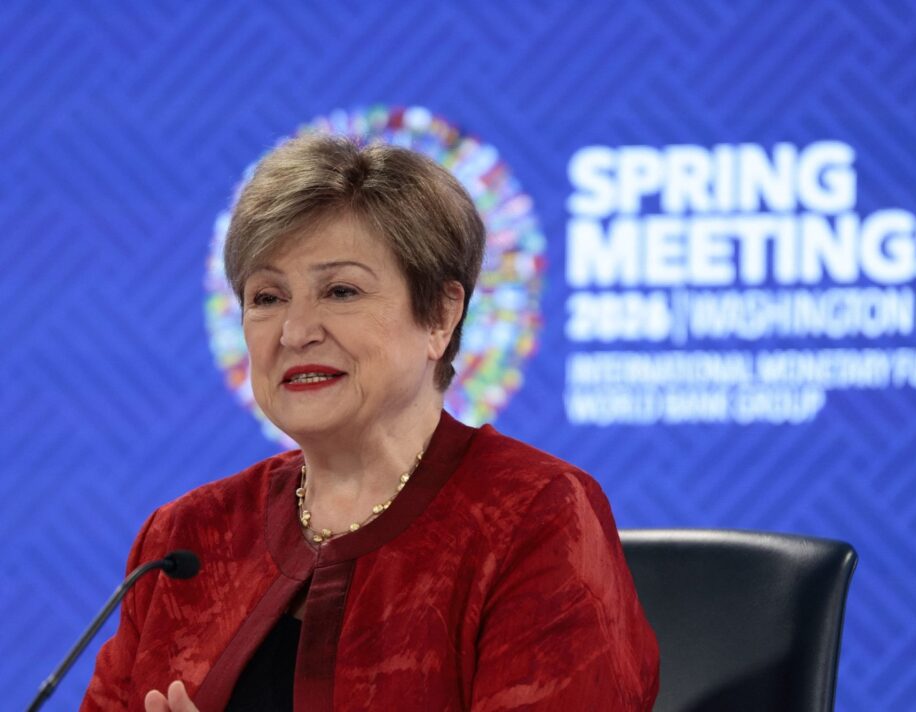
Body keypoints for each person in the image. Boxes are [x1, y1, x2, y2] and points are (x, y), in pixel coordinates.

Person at [81, 134, 659, 711]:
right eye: (266, 297)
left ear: (439, 314)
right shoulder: (189, 537)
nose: (294, 330)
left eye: (340, 290)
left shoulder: (534, 515)